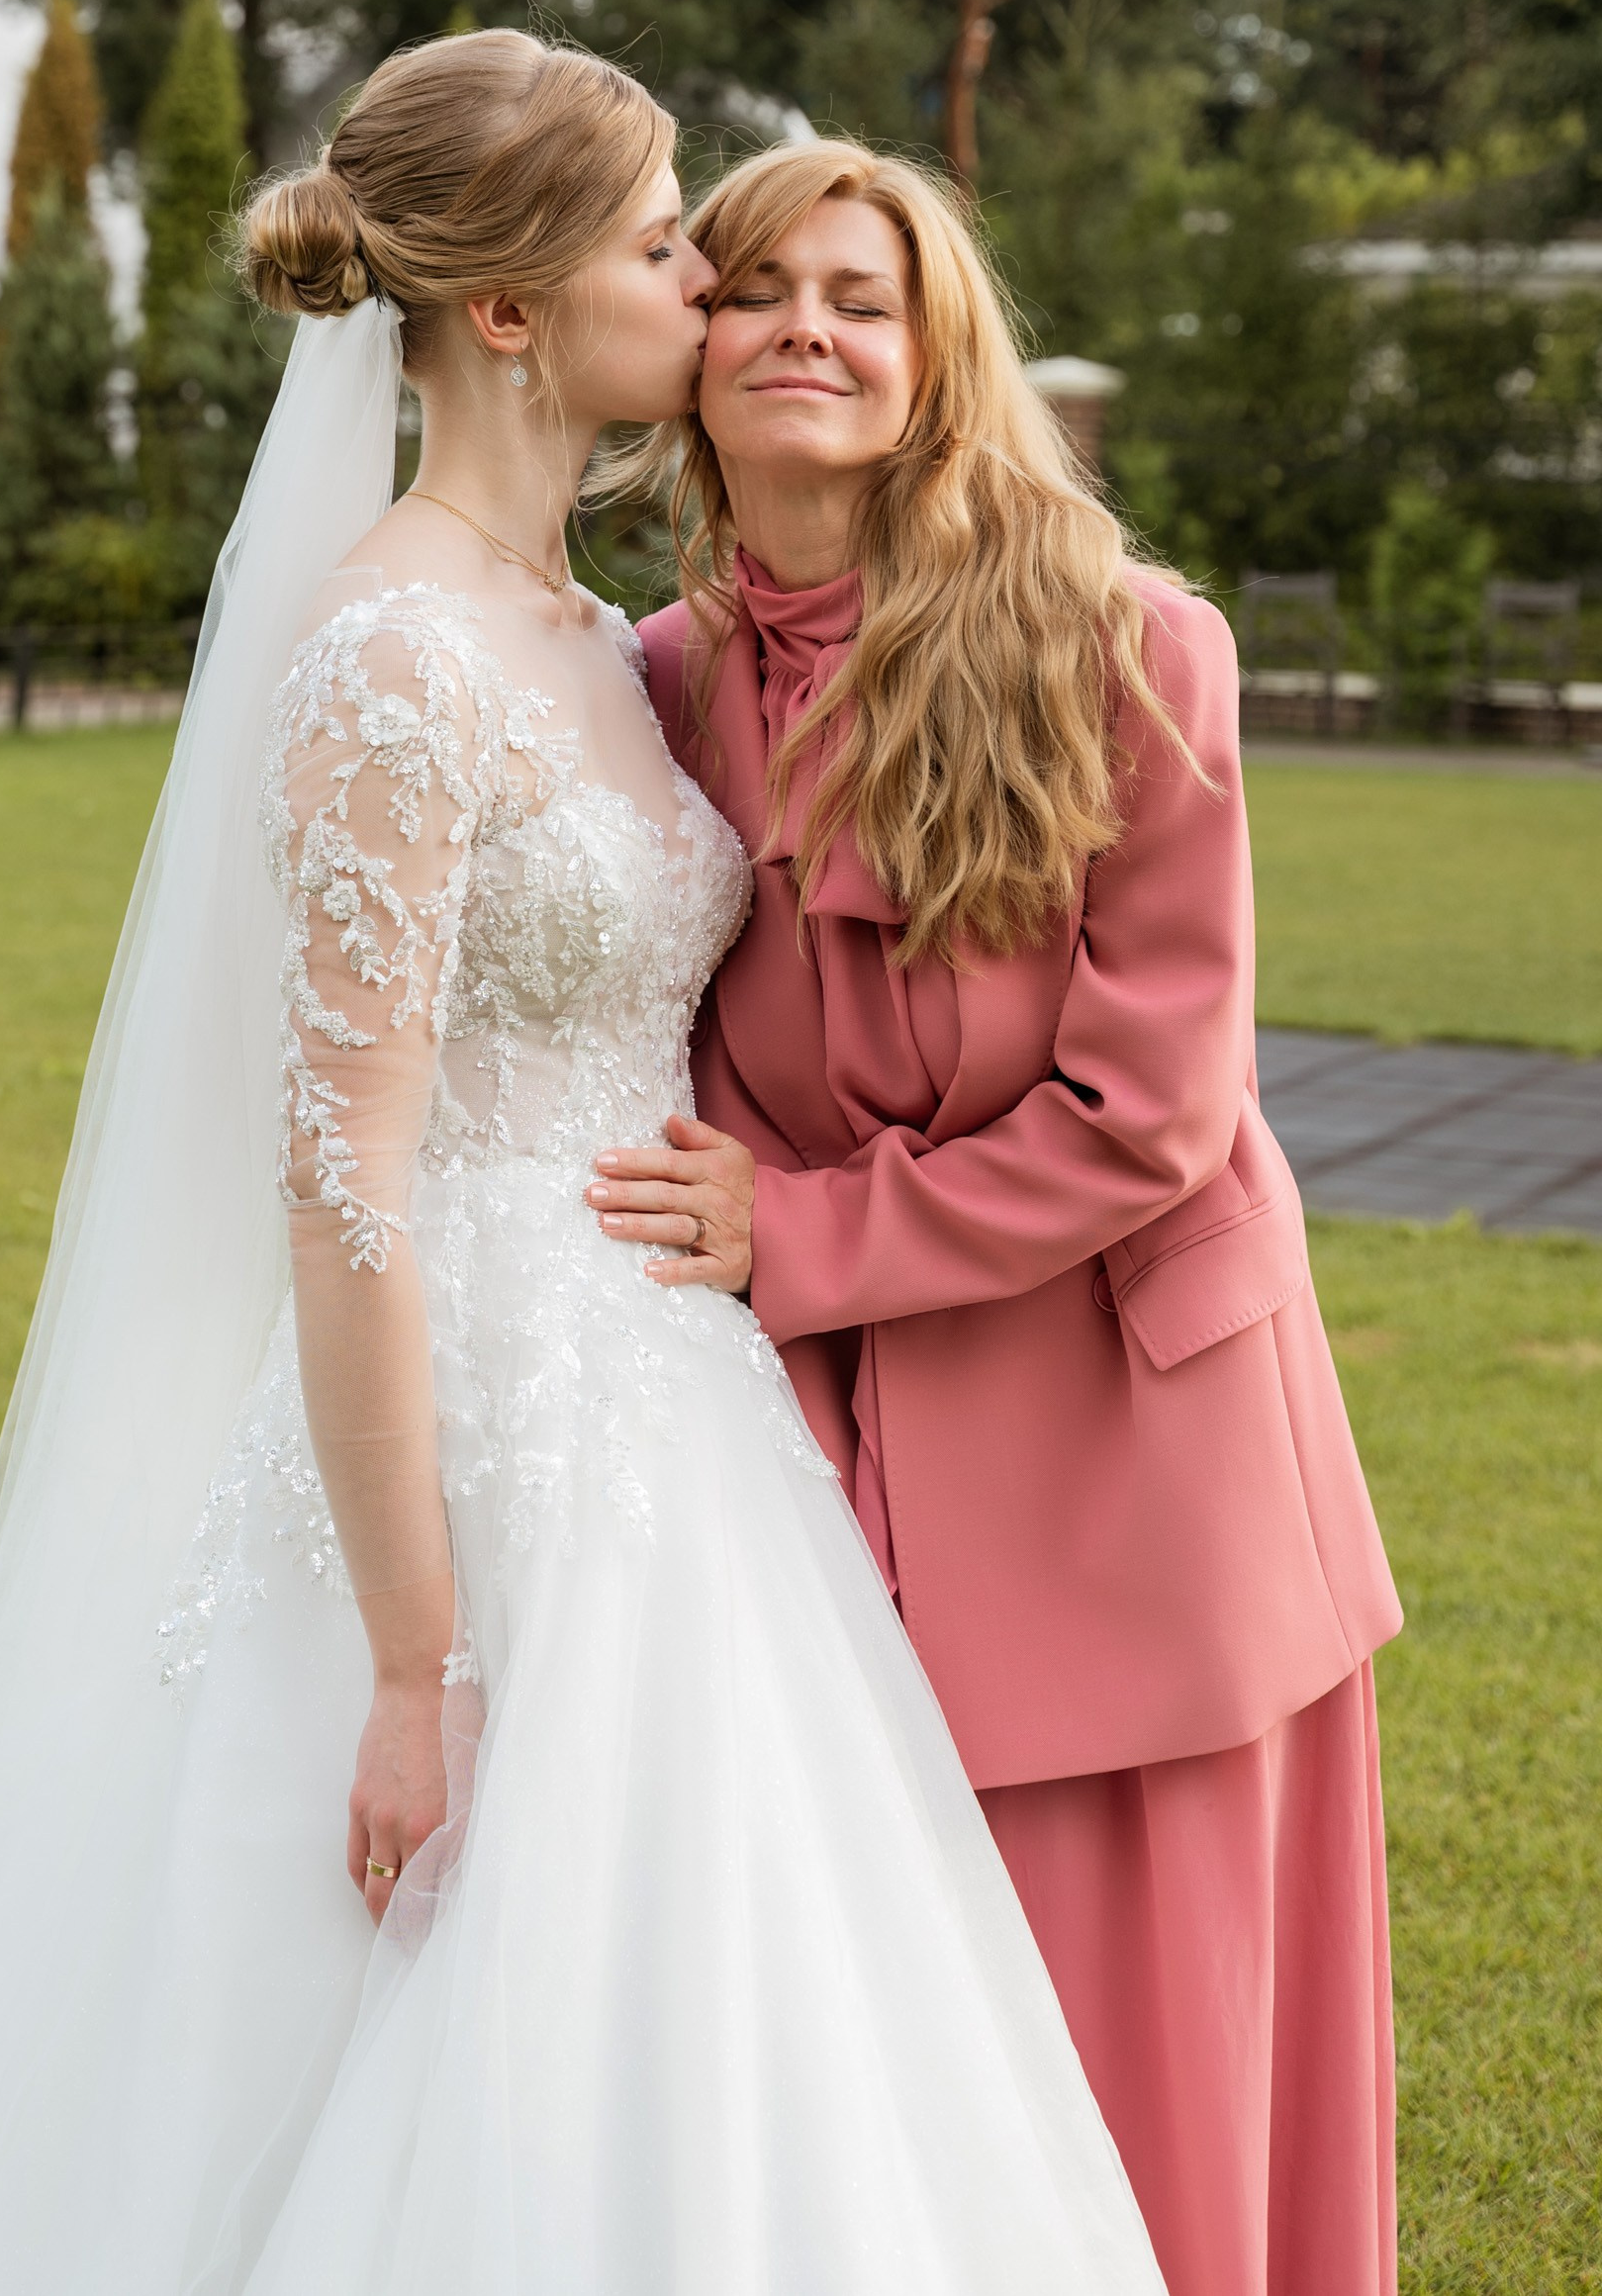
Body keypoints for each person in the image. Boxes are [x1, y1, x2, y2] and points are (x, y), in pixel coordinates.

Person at [0, 35, 1168, 2296]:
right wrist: (413, 1661)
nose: (713, 293)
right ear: (519, 310)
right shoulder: (388, 652)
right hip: (460, 1443)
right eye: (665, 248)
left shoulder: (603, 641)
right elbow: (342, 1180)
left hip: (672, 1426)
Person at [599, 139, 1402, 2296]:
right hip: (823, 1461)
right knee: (876, 2034)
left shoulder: (1127, 645)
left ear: (937, 353)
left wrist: (803, 1236)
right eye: (753, 285)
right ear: (686, 349)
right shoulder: (654, 678)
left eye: (859, 295)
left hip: (1137, 1463)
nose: (803, 328)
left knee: (1122, 2046)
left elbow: (1152, 1106)